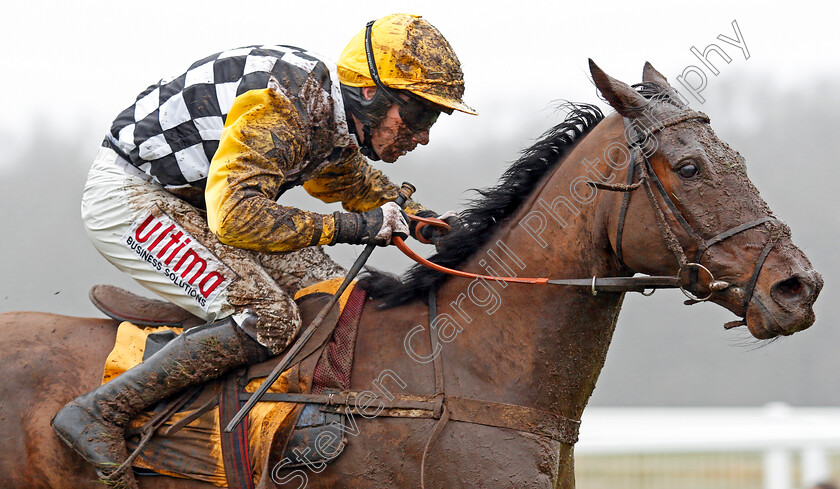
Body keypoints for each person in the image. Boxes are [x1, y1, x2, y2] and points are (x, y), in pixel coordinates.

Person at [51, 13, 475, 487]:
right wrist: (355, 226)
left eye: (433, 118)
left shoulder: (329, 111)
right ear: (371, 92)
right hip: (131, 196)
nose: (423, 135)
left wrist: (418, 217)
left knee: (332, 291)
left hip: (198, 203)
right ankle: (98, 411)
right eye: (418, 115)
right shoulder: (286, 105)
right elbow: (235, 217)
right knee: (268, 316)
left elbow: (344, 177)